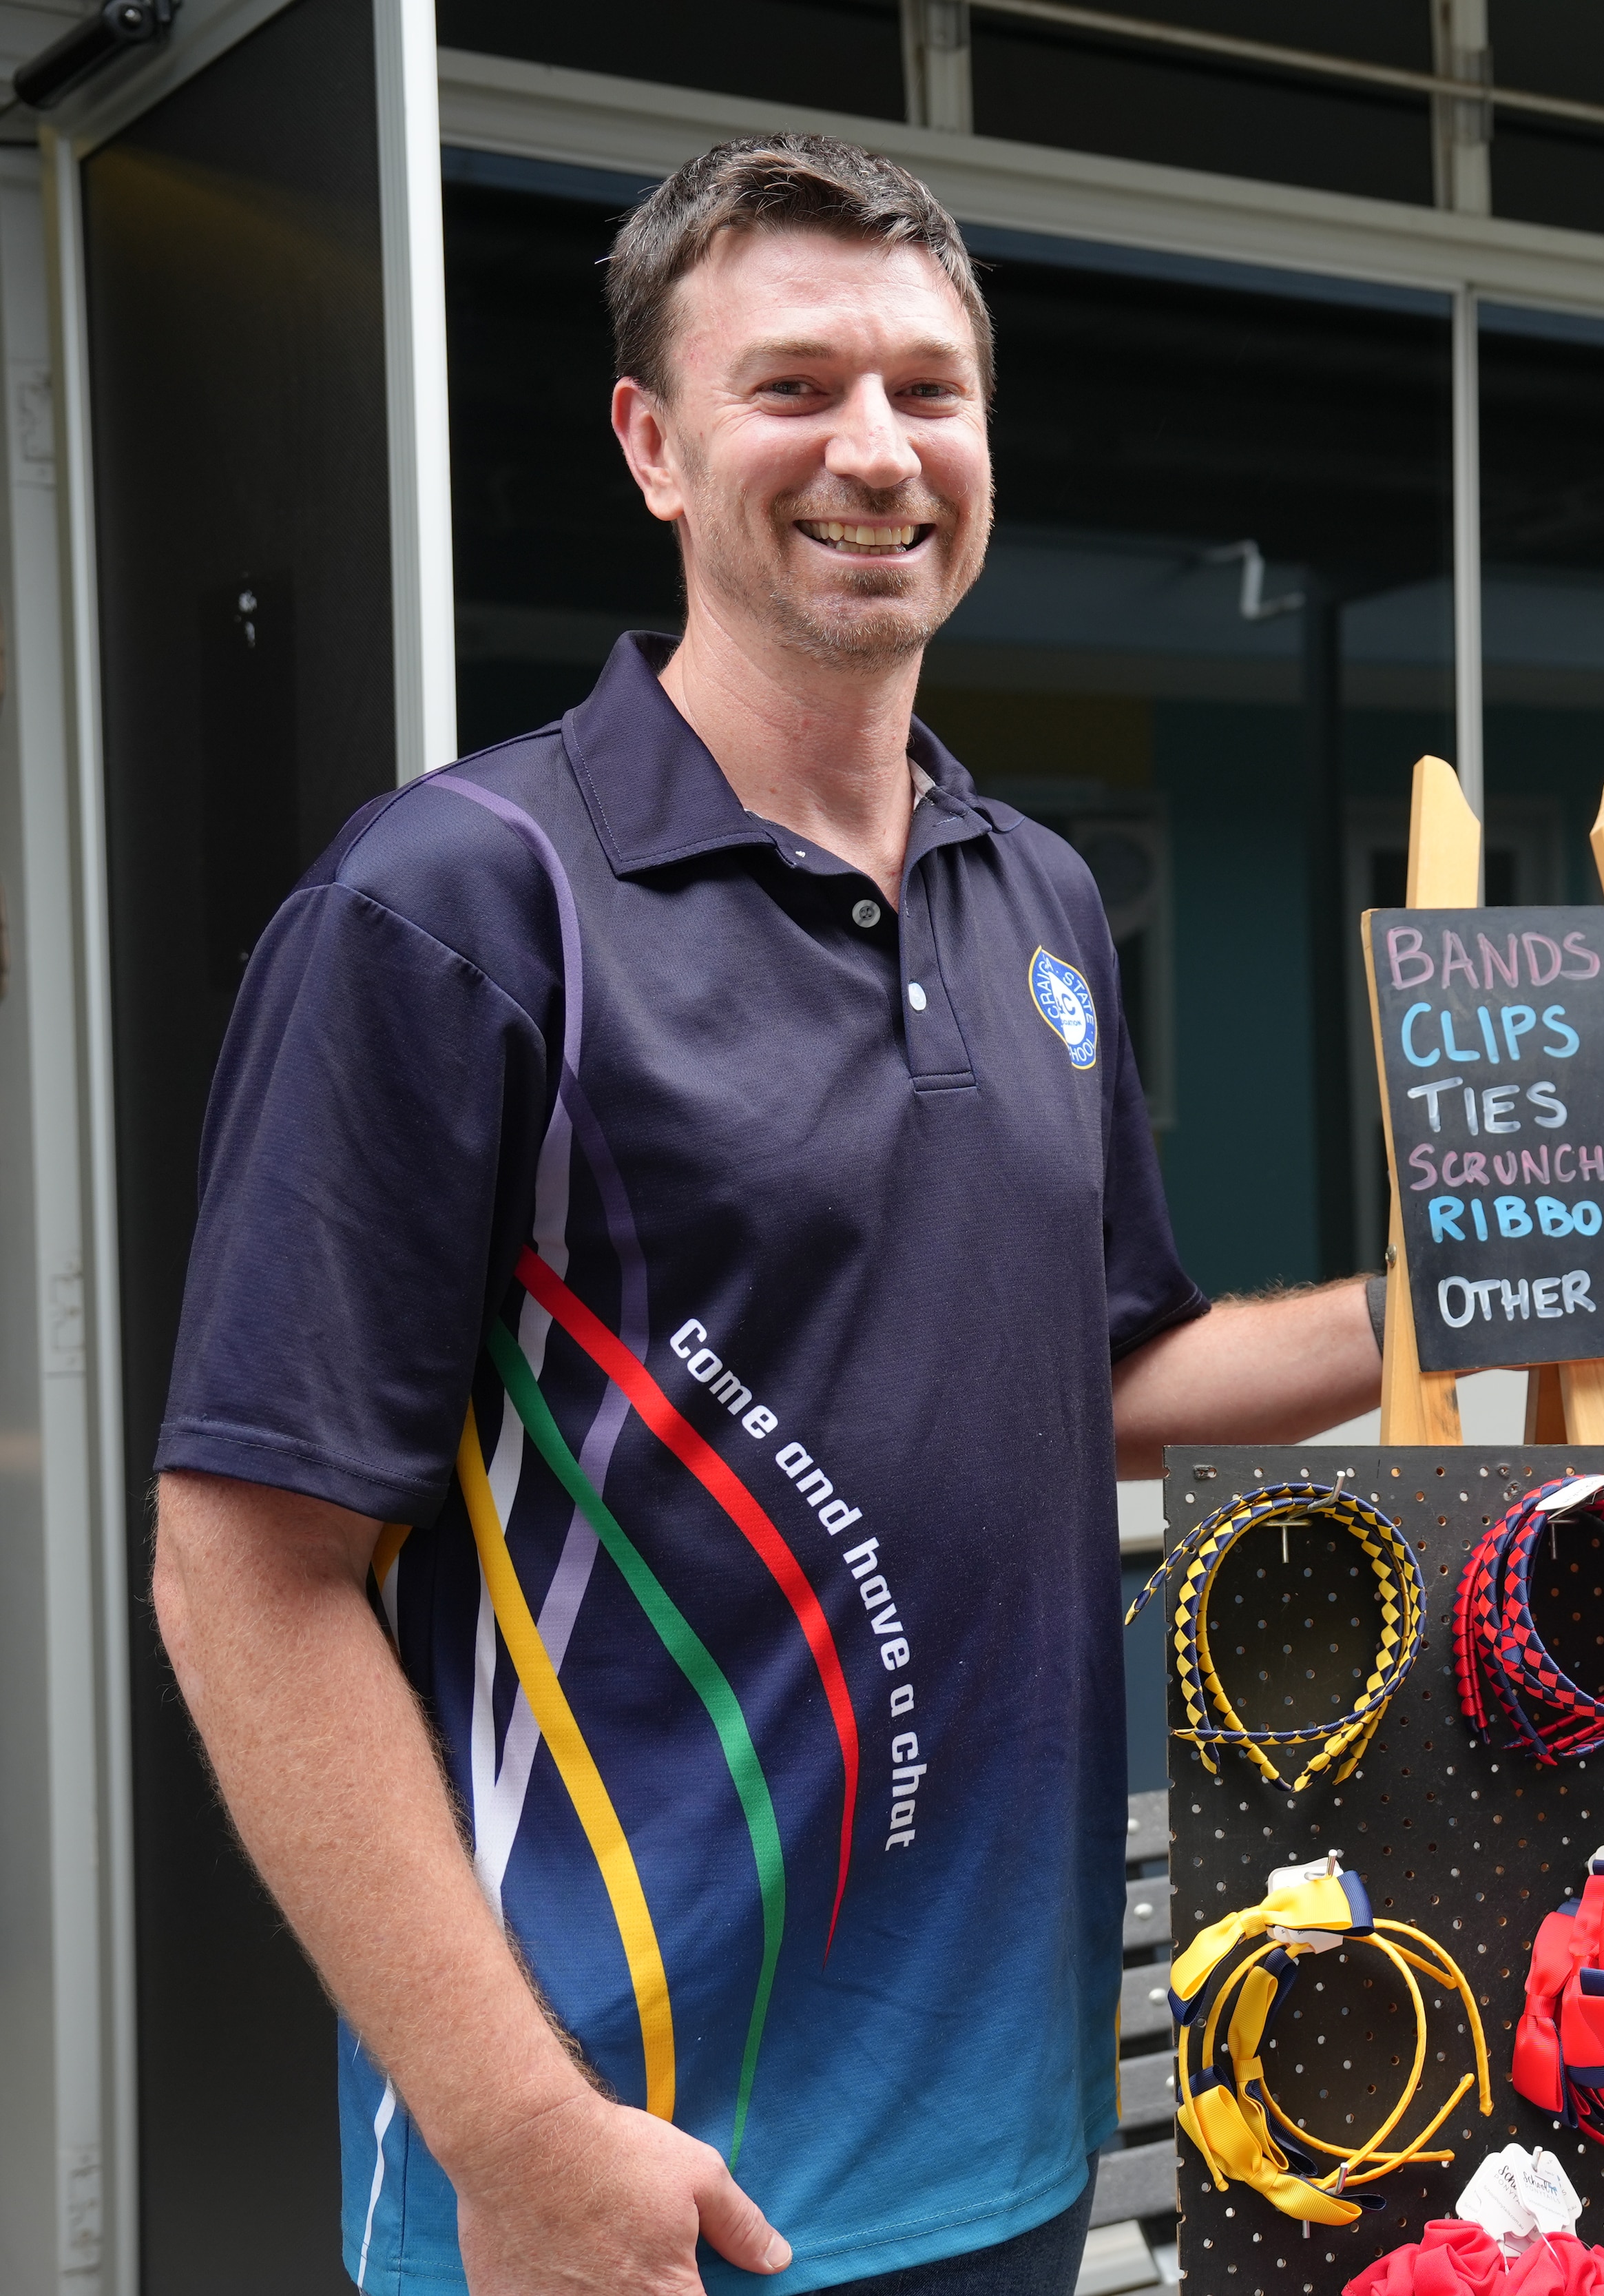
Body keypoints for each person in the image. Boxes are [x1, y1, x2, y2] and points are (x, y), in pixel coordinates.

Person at [148, 138, 1393, 2295]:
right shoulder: (460, 903)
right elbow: (242, 1570)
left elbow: (1087, 1387)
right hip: (612, 2184)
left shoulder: (1042, 900)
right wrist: (517, 2130)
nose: (877, 451)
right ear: (652, 441)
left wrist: (1454, 1294)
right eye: (796, 386)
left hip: (1005, 2151)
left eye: (931, 388)